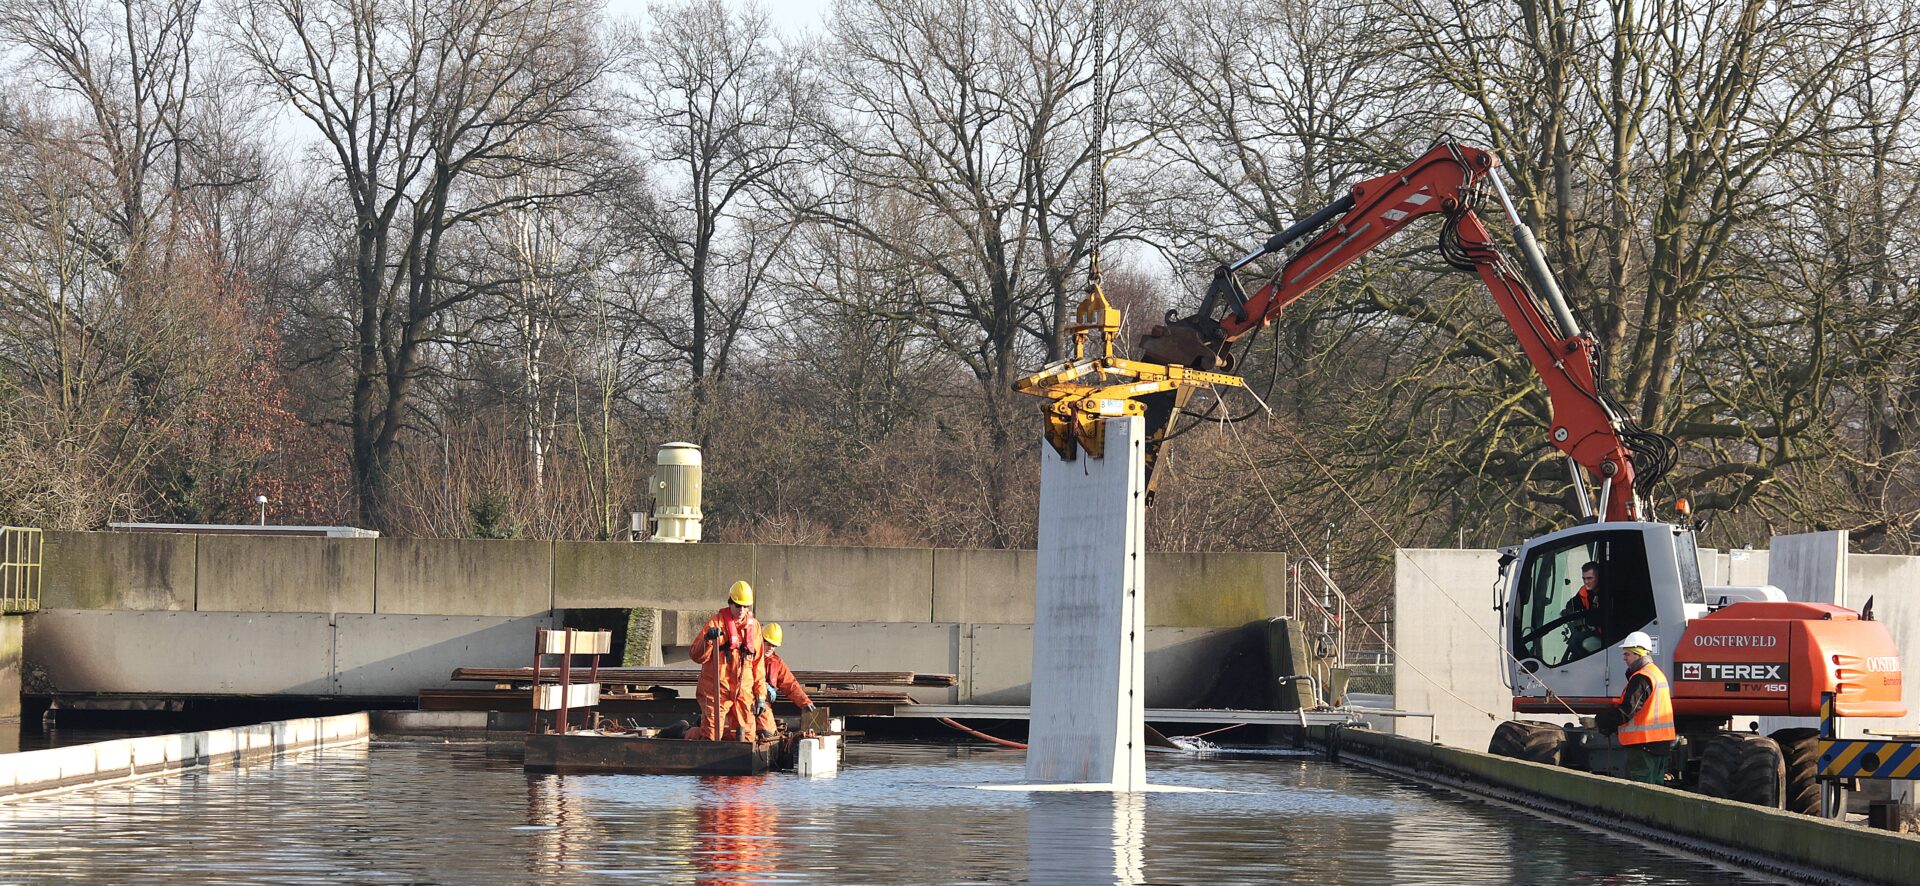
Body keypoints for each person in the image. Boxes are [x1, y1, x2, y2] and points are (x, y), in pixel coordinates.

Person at [1596, 630, 1676, 784]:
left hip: (1643, 746)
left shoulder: (1642, 678)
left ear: (1638, 655)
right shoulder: (1656, 674)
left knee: (1641, 793)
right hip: (1659, 744)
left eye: (1627, 654)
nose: (1624, 658)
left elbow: (1627, 711)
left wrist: (1598, 721)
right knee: (1656, 790)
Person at [688, 580, 763, 741]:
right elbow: (696, 655)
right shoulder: (716, 623)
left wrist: (761, 694)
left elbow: (758, 664)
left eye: (745, 606)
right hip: (717, 690)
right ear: (730, 604)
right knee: (712, 735)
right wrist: (708, 639)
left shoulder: (754, 627)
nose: (741, 610)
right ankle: (685, 734)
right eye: (738, 606)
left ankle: (738, 763)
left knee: (747, 736)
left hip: (743, 692)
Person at [753, 623, 816, 737]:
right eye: (767, 642)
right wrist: (763, 686)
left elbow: (790, 684)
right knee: (740, 730)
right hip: (745, 698)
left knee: (768, 732)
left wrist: (805, 702)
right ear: (760, 640)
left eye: (773, 645)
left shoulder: (776, 663)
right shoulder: (749, 656)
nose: (770, 647)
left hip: (762, 703)